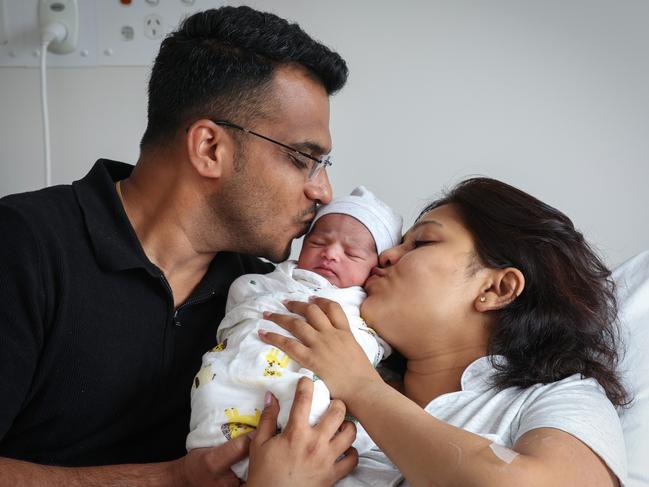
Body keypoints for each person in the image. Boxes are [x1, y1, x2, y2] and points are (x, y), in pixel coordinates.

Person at [0, 6, 360, 486]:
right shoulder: (24, 244)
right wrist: (170, 479)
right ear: (210, 147)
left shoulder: (262, 296)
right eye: (303, 159)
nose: (323, 191)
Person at [261, 177, 629, 487]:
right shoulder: (311, 383)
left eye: (421, 243)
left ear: (496, 289)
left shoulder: (561, 398)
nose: (386, 256)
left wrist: (361, 388)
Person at [186, 186, 402, 479]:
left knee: (311, 408)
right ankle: (220, 444)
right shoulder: (273, 279)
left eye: (351, 253)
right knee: (217, 388)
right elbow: (242, 298)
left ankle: (286, 456)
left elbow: (376, 343)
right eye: (318, 242)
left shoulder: (363, 302)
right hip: (248, 363)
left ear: (375, 270)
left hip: (308, 381)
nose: (330, 254)